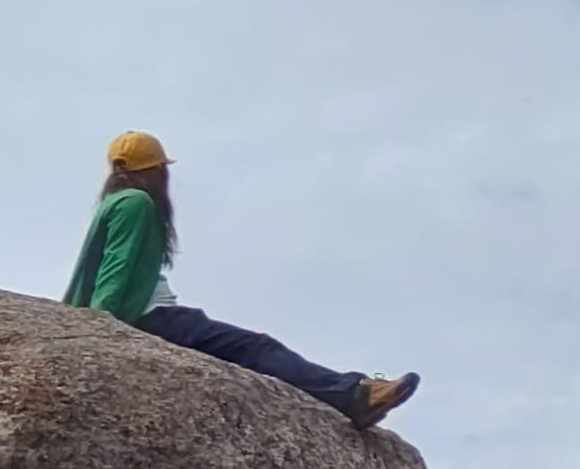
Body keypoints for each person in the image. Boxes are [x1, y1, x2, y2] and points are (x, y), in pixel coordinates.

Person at [60, 130, 417, 430]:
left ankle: (350, 393)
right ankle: (355, 394)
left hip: (148, 316)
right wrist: (101, 325)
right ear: (156, 171)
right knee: (257, 348)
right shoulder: (136, 202)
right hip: (153, 318)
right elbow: (116, 264)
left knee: (251, 353)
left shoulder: (115, 203)